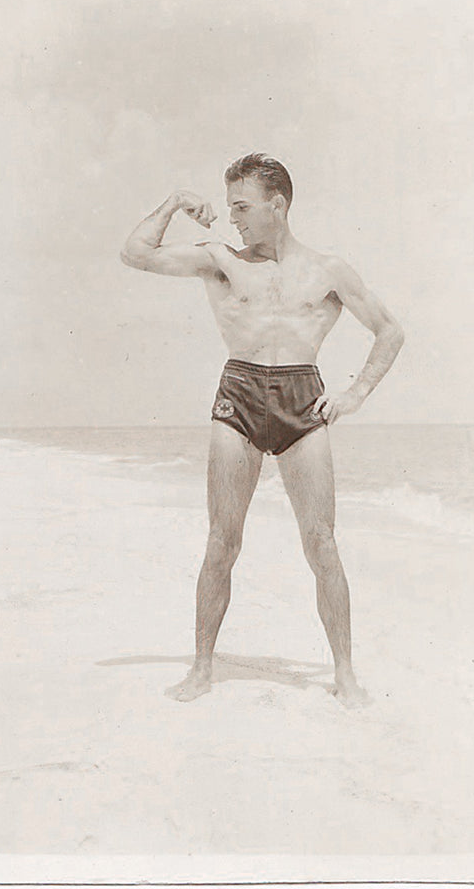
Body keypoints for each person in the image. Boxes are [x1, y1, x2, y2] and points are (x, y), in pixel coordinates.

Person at [120, 153, 404, 708]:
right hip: (240, 394)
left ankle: (345, 673)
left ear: (278, 205)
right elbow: (135, 254)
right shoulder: (222, 259)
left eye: (243, 207)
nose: (234, 219)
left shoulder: (329, 270)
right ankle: (201, 668)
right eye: (230, 208)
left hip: (303, 398)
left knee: (321, 543)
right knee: (222, 542)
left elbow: (389, 331)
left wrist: (354, 394)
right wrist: (177, 199)